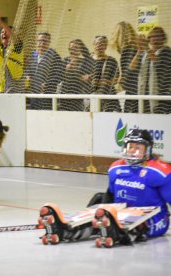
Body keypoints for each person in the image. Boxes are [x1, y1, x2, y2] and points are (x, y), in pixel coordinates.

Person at [39, 129, 171, 247]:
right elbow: (111, 196)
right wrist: (96, 213)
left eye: (138, 147)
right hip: (120, 214)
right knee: (99, 199)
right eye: (130, 146)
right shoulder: (116, 167)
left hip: (153, 218)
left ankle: (120, 233)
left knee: (138, 225)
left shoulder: (160, 171)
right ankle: (68, 230)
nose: (132, 150)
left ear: (147, 149)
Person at [129, 26, 171, 114]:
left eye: (158, 36)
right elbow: (132, 67)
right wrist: (139, 51)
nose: (155, 39)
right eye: (152, 36)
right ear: (149, 39)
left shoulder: (167, 51)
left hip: (161, 95)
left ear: (163, 38)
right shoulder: (145, 53)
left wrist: (146, 48)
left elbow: (158, 62)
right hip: (144, 94)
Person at [26, 32, 63, 109]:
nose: (42, 43)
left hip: (47, 96)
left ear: (49, 43)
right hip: (33, 95)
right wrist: (27, 76)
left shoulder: (54, 56)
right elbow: (28, 70)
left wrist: (48, 84)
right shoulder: (33, 55)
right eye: (39, 41)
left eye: (45, 41)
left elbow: (60, 74)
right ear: (36, 41)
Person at [109, 21, 139, 113]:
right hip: (137, 89)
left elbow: (129, 71)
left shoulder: (127, 50)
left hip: (133, 91)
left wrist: (122, 80)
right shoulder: (135, 47)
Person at [58, 39, 93, 111]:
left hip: (78, 93)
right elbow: (59, 77)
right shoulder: (65, 60)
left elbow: (87, 76)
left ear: (80, 49)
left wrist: (87, 76)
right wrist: (66, 70)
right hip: (65, 93)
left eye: (75, 48)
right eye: (70, 49)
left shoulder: (84, 61)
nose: (72, 50)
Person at [91, 35, 121, 112]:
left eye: (102, 44)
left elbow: (117, 79)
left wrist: (105, 82)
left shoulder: (112, 61)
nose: (99, 46)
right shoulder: (87, 61)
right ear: (93, 45)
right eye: (97, 43)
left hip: (108, 96)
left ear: (105, 46)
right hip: (90, 97)